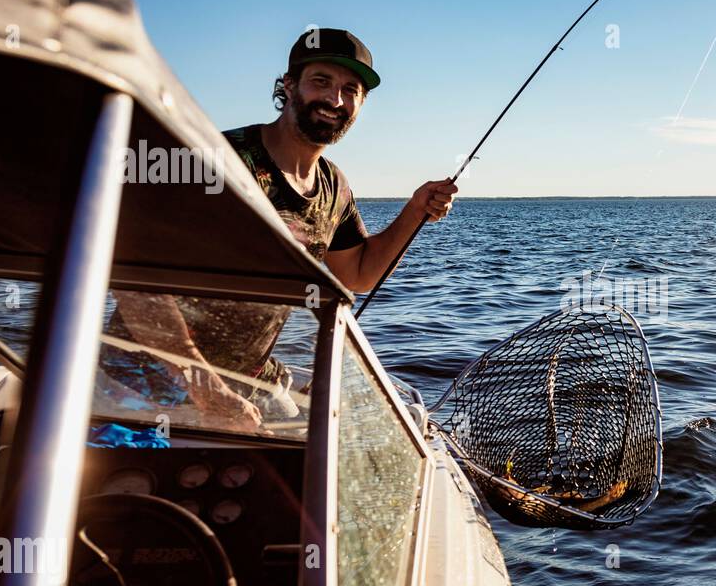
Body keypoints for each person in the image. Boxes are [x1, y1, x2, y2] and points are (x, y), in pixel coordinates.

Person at [104, 29, 457, 432]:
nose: (334, 100)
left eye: (350, 90)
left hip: (247, 380)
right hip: (141, 384)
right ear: (288, 85)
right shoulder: (220, 161)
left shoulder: (333, 186)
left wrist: (414, 212)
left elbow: (358, 274)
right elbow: (135, 280)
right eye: (321, 82)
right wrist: (207, 390)